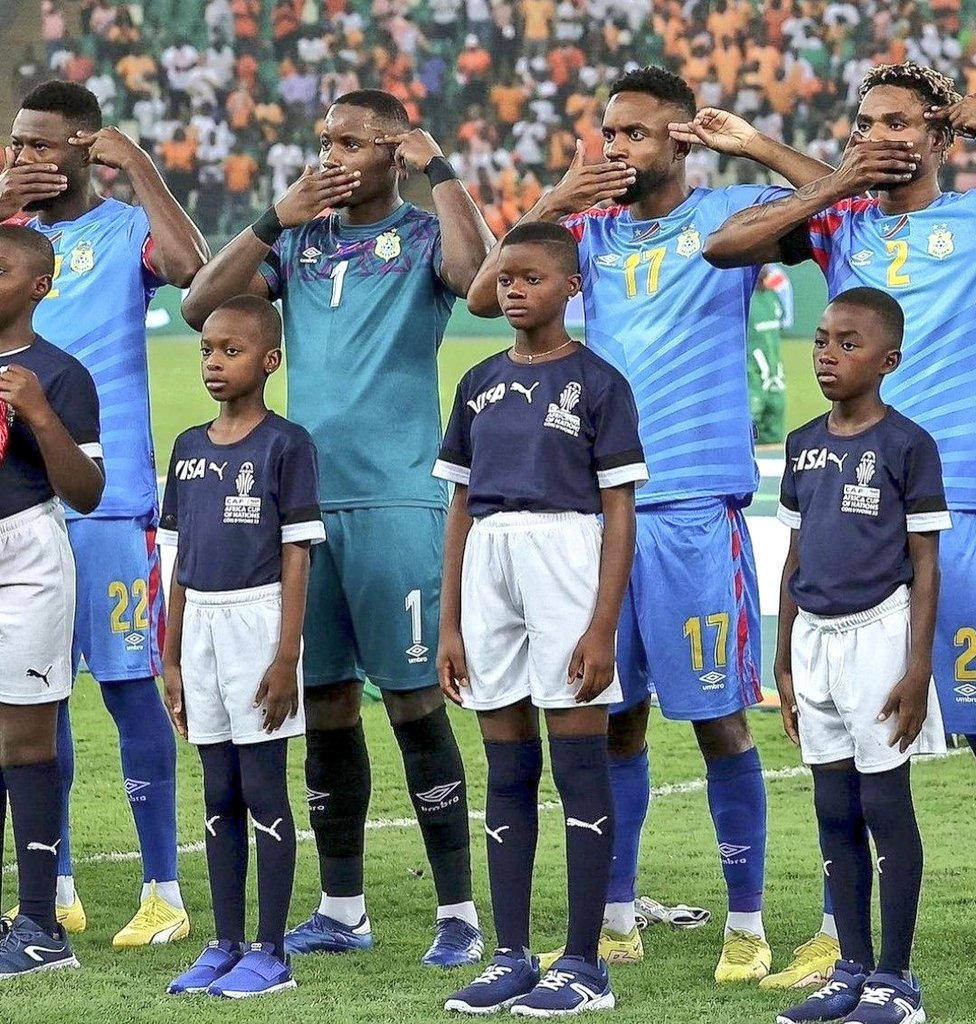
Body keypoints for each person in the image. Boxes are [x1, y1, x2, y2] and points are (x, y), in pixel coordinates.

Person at [467, 65, 838, 984]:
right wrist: (559, 196)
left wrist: (752, 145)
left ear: (681, 137)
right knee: (613, 720)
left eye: (635, 132)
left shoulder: (728, 215)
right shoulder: (586, 234)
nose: (618, 148)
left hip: (692, 510)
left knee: (718, 722)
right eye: (609, 132)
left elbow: (833, 201)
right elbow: (485, 292)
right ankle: (617, 916)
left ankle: (746, 924)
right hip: (595, 513)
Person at [182, 89, 495, 966]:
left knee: (415, 705)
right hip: (304, 512)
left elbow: (479, 281)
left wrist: (440, 171)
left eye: (351, 142)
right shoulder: (300, 244)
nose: (330, 156)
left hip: (397, 503)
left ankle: (459, 914)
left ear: (395, 150)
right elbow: (201, 306)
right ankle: (342, 908)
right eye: (324, 141)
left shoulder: (424, 235)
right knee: (323, 708)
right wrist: (272, 218)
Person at [704, 58, 976, 935]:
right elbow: (725, 246)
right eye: (864, 124)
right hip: (855, 509)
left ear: (942, 137)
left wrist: (962, 119)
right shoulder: (843, 222)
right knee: (850, 741)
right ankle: (840, 938)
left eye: (899, 123)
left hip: (960, 504)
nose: (877, 137)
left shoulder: (969, 221)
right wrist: (828, 175)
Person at [0, 80, 207, 945]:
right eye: (15, 144)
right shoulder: (10, 239)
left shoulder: (125, 230)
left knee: (127, 688)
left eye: (39, 144)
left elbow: (193, 272)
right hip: (19, 503)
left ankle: (163, 891)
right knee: (34, 700)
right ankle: (59, 885)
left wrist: (143, 168)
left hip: (108, 500)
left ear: (86, 146)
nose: (23, 157)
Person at [437, 222, 647, 1015]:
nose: (514, 289)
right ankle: (512, 956)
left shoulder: (599, 383)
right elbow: (459, 506)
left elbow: (619, 512)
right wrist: (450, 623)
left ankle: (585, 964)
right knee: (507, 767)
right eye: (506, 278)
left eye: (531, 277)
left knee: (578, 764)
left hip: (566, 553)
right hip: (489, 559)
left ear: (571, 287)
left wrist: (602, 627)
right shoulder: (478, 381)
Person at [773, 288, 948, 1024]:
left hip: (880, 633)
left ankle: (896, 981)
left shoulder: (909, 445)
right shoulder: (802, 443)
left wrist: (917, 667)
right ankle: (849, 967)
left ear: (888, 361)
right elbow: (794, 553)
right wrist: (783, 656)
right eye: (822, 340)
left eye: (849, 344)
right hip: (812, 638)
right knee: (832, 806)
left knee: (883, 804)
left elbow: (926, 562)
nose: (828, 354)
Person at [161, 295, 324, 999]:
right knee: (218, 788)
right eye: (207, 350)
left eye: (231, 351)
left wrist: (286, 657)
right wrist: (170, 656)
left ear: (270, 361)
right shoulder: (188, 448)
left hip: (259, 622)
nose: (214, 363)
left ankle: (270, 950)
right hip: (198, 623)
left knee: (262, 787)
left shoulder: (287, 445)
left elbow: (297, 557)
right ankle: (224, 943)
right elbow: (176, 560)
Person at [0, 224, 104, 978]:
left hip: (27, 552)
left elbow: (88, 491)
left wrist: (39, 414)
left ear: (39, 286)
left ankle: (40, 929)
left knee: (26, 741)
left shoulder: (58, 373)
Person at [748, 265, 787, 446]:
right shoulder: (745, 301)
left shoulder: (773, 298)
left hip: (775, 375)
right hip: (752, 374)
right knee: (750, 422)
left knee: (775, 422)